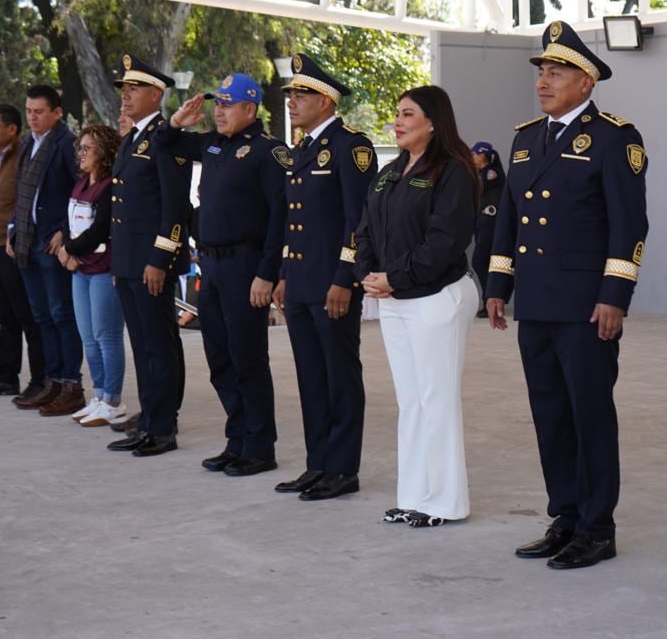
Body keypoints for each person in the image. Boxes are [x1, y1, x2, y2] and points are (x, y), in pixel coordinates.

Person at [485, 21, 648, 570]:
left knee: (589, 414)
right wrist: (498, 286)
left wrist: (615, 297)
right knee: (550, 413)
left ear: (586, 82)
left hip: (585, 307)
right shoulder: (526, 138)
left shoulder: (614, 137)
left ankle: (597, 527)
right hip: (535, 302)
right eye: (542, 72)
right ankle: (566, 516)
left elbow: (629, 226)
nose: (544, 82)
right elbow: (508, 219)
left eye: (556, 72)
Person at [355, 85, 480, 528]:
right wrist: (368, 276)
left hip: (435, 299)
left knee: (436, 399)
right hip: (395, 300)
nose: (398, 121)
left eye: (408, 114)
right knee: (411, 402)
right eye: (397, 113)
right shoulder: (389, 172)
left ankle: (445, 502)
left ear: (433, 121)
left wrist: (395, 277)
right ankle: (413, 497)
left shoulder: (454, 172)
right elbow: (366, 229)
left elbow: (445, 243)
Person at [158, 73, 289, 476]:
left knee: (247, 356)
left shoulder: (268, 151)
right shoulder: (212, 144)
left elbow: (280, 218)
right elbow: (164, 145)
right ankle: (237, 439)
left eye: (228, 105)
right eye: (218, 104)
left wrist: (268, 274)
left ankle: (260, 446)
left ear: (250, 110)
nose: (219, 111)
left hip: (246, 266)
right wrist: (177, 120)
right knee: (219, 357)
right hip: (211, 265)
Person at [271, 53, 377, 501]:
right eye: (292, 93)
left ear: (327, 101)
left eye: (302, 94)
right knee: (310, 377)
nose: (293, 101)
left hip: (332, 284)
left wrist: (345, 278)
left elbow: (360, 222)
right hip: (299, 281)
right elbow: (293, 220)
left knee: (339, 375)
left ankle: (342, 468)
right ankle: (317, 464)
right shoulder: (301, 148)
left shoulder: (351, 146)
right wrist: (282, 274)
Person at [105, 55, 191, 458]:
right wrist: (118, 262)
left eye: (133, 89)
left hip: (151, 263)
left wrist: (160, 260)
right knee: (142, 344)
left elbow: (174, 208)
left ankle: (162, 426)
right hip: (128, 261)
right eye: (124, 89)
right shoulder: (132, 137)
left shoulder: (164, 138)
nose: (125, 96)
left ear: (156, 95)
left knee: (158, 344)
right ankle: (150, 419)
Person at [9, 84, 85, 416]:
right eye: (29, 111)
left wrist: (66, 233)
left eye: (39, 111)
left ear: (57, 112)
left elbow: (82, 190)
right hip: (27, 238)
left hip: (53, 242)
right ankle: (51, 380)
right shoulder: (28, 143)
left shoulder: (68, 144)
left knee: (61, 314)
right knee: (40, 316)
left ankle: (71, 384)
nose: (33, 117)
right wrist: (13, 228)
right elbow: (22, 191)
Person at [57, 124, 128, 427]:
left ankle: (112, 399)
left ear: (105, 152)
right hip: (80, 271)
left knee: (106, 336)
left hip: (102, 269)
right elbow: (70, 219)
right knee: (88, 338)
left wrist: (68, 250)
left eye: (88, 148)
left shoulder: (111, 185)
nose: (81, 154)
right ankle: (98, 395)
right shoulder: (81, 183)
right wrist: (65, 246)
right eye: (80, 148)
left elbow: (100, 230)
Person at [0, 104, 45, 398]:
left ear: (12, 129)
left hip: (13, 247)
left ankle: (41, 380)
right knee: (5, 316)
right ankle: (7, 376)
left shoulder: (23, 156)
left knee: (28, 316)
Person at [468, 140, 505, 317]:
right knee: (483, 261)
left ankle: (491, 299)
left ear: (482, 155)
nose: (471, 157)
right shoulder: (480, 173)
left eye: (473, 154)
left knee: (481, 260)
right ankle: (490, 299)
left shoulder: (492, 173)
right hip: (482, 222)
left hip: (490, 222)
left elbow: (476, 188)